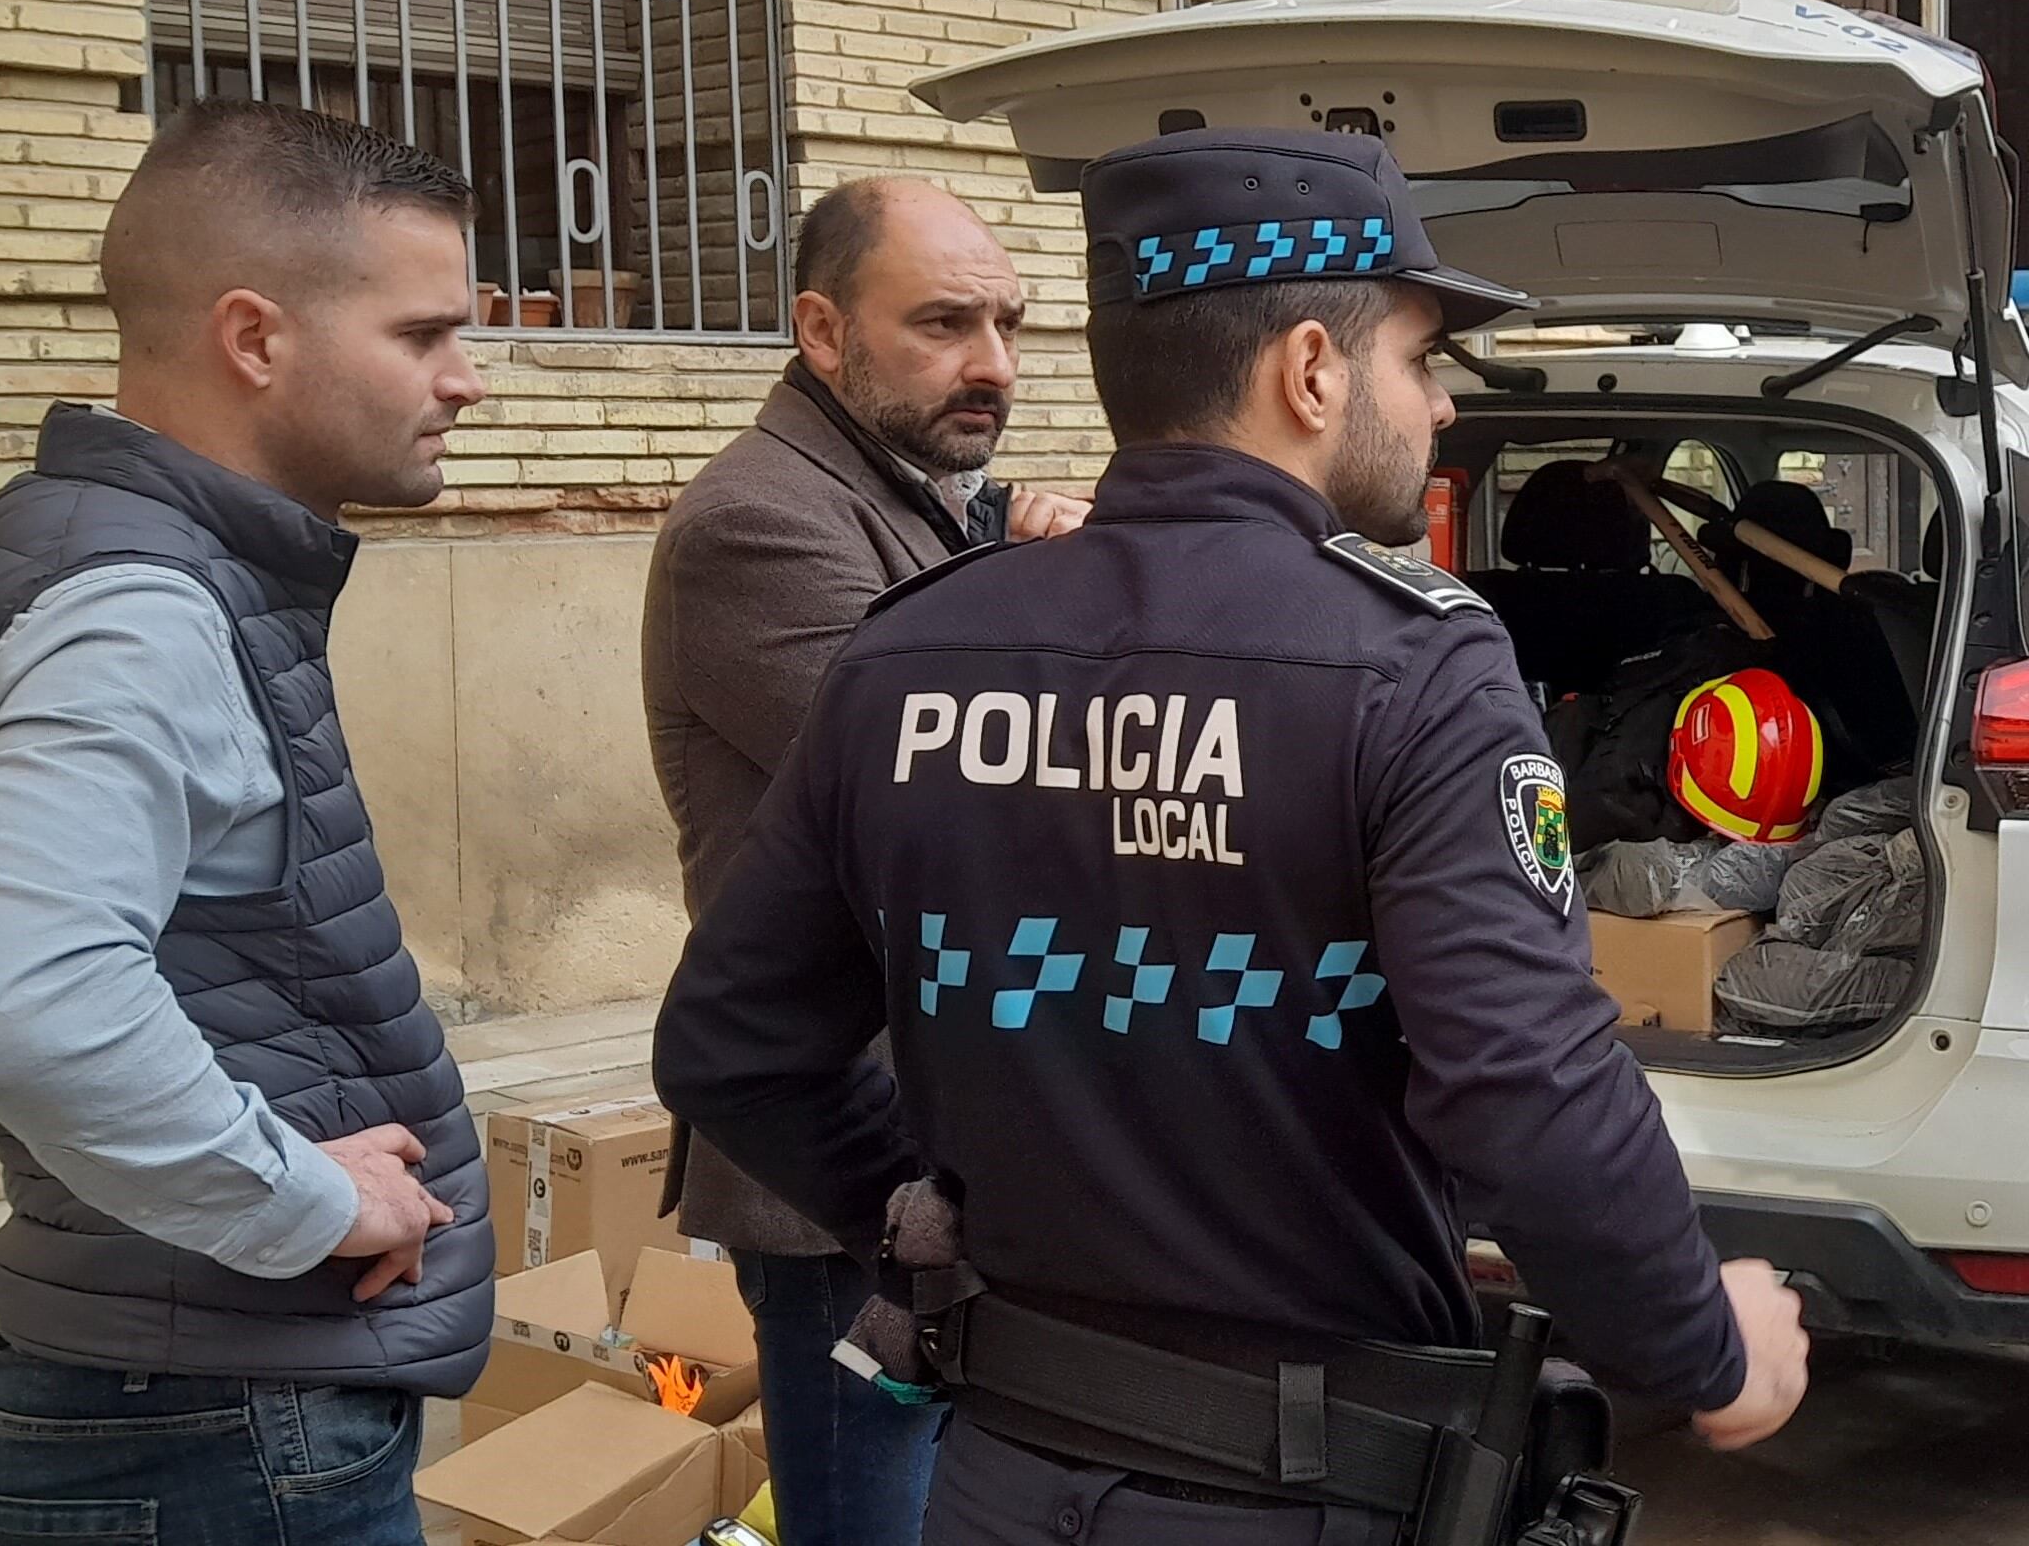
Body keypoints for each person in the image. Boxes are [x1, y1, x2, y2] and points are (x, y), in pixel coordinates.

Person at [654, 126, 1810, 1544]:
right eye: (1419, 358)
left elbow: (729, 1042)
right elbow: (1523, 1080)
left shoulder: (913, 653)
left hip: (999, 1480)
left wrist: (922, 1211)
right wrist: (1707, 1341)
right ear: (1312, 370)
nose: (1438, 406)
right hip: (1303, 1489)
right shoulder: (1419, 666)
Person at [0, 101, 493, 1545]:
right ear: (255, 338)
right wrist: (298, 1196)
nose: (467, 380)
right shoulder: (143, 609)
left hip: (204, 1400)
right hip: (221, 1424)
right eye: (423, 335)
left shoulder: (156, 569)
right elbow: (22, 1001)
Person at [640, 175, 1089, 1546]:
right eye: (944, 323)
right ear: (821, 332)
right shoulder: (758, 526)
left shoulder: (923, 496)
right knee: (870, 1529)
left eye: (1009, 323)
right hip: (839, 1164)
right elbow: (975, 796)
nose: (994, 366)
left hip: (947, 1147)